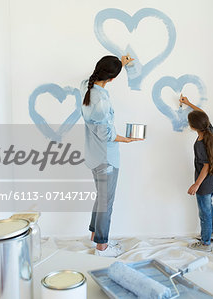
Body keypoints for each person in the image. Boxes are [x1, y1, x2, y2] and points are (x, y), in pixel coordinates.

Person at [81, 55, 141, 257]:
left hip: (93, 154)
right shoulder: (102, 101)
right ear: (112, 79)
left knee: (101, 197)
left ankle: (95, 236)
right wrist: (126, 139)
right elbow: (106, 134)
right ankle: (102, 247)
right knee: (107, 202)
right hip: (107, 157)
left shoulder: (85, 86)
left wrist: (120, 65)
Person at [179, 94, 213, 252]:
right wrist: (189, 103)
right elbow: (203, 114)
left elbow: (206, 165)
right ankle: (211, 233)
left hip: (205, 181)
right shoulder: (209, 131)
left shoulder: (200, 143)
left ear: (193, 127)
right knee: (208, 206)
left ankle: (205, 244)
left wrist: (196, 184)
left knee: (204, 212)